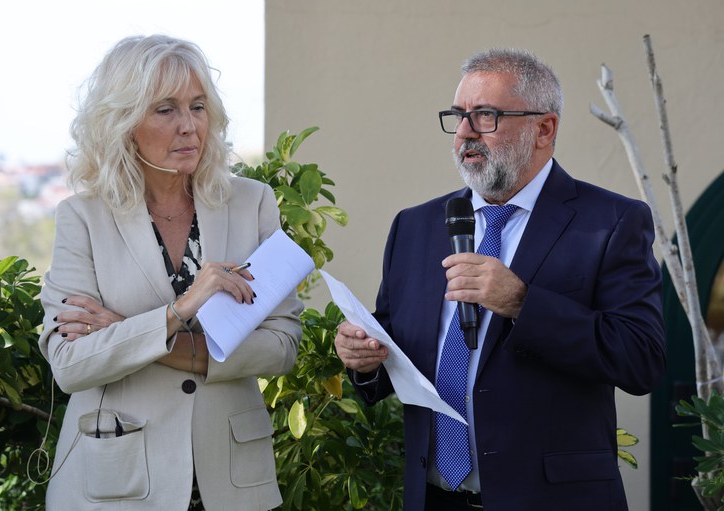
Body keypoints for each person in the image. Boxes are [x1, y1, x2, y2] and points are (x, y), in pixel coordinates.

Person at [334, 48, 666, 511]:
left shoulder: (610, 222)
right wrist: (364, 358)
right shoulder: (415, 226)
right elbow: (396, 341)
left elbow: (641, 358)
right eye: (459, 116)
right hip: (434, 498)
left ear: (544, 129)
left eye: (485, 116)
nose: (465, 132)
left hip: (551, 500)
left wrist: (523, 303)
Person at [38, 34, 302, 510]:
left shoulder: (252, 203)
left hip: (233, 482)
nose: (189, 126)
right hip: (118, 486)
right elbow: (71, 365)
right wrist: (179, 311)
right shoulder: (82, 217)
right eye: (165, 110)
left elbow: (282, 346)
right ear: (124, 123)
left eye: (198, 107)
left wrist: (125, 331)